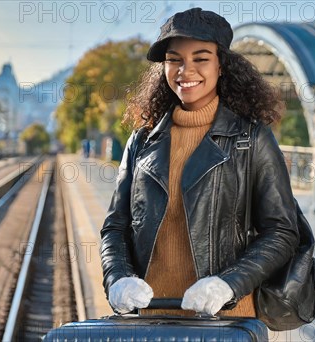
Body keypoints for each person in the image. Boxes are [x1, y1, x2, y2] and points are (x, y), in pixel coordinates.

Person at [100, 8, 299, 318]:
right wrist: (118, 278)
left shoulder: (252, 139)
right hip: (153, 317)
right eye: (174, 59)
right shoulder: (141, 141)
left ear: (222, 66)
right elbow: (115, 227)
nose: (185, 70)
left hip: (226, 319)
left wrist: (227, 284)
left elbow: (282, 232)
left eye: (201, 58)